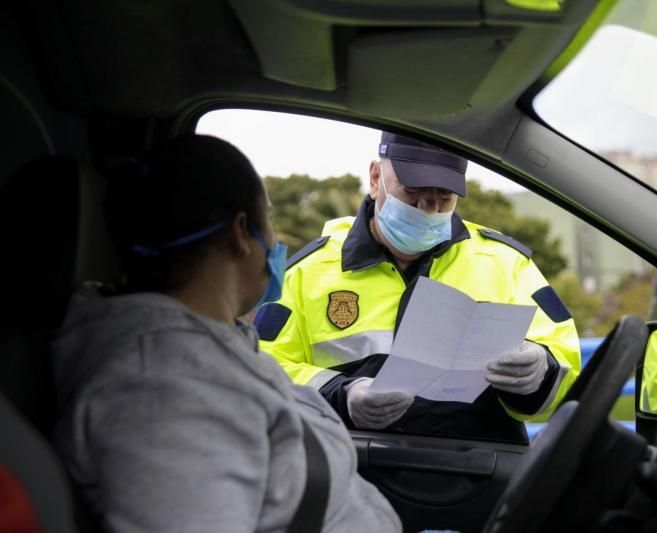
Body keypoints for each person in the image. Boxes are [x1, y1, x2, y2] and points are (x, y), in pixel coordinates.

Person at [51, 135, 401, 532]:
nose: (274, 242)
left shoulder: (211, 345)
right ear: (241, 233)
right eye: (267, 219)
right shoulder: (163, 385)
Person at [256, 132, 581, 444]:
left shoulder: (505, 264)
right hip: (352, 471)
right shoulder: (305, 274)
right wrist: (342, 395)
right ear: (374, 178)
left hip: (478, 475)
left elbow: (567, 372)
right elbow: (262, 372)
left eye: (444, 198)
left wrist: (542, 369)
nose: (428, 208)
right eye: (414, 192)